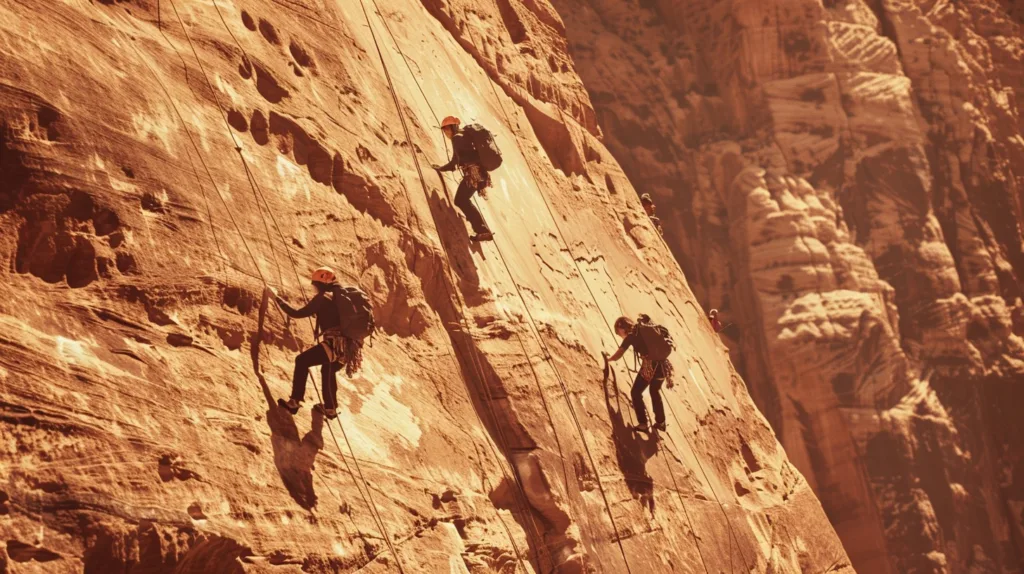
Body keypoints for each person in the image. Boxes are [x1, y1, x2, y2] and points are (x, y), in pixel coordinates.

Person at [270, 266, 363, 420]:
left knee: (302, 361)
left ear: (321, 283)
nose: (314, 288)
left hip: (335, 344)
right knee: (328, 370)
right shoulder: (341, 298)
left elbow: (297, 313)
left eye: (315, 285)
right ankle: (330, 408)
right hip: (350, 348)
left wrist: (276, 298)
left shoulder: (323, 298)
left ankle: (294, 402)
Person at [602, 316, 673, 433]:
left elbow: (619, 354)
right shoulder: (643, 328)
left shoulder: (631, 336)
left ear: (622, 328)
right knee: (654, 391)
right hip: (663, 366)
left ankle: (643, 423)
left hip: (650, 366)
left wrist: (608, 359)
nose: (619, 335)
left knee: (635, 392)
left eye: (618, 332)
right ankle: (661, 422)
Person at [431, 116, 494, 241]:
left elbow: (455, 161)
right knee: (462, 200)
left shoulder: (457, 138)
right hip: (478, 174)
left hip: (473, 175)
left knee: (461, 200)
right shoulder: (463, 136)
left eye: (447, 129)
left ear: (453, 127)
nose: (446, 133)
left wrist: (441, 168)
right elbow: (457, 161)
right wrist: (443, 168)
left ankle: (483, 230)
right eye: (444, 130)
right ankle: (482, 230)